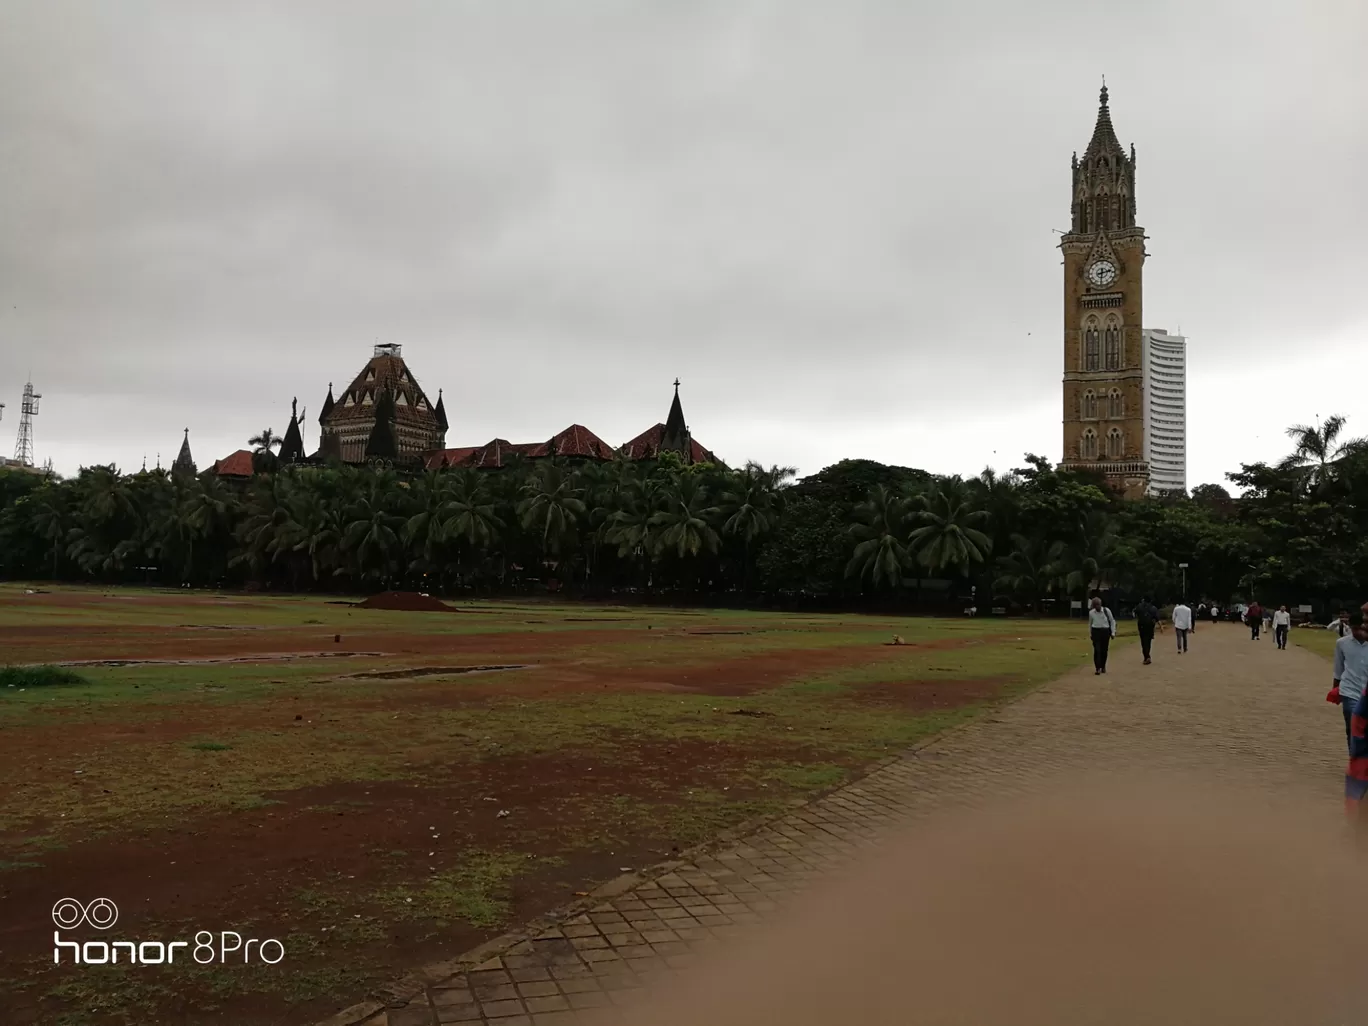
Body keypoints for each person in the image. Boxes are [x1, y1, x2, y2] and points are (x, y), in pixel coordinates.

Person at [1333, 613, 1368, 752]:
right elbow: (1338, 668)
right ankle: (1355, 758)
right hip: (1349, 690)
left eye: (1359, 628)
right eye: (1353, 629)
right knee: (1353, 726)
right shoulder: (1342, 643)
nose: (1356, 632)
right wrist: (1335, 689)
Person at [1088, 596, 1117, 675]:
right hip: (1096, 631)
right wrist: (1090, 633)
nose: (1097, 607)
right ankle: (1097, 668)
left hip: (1105, 631)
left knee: (1104, 650)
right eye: (1095, 605)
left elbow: (1112, 621)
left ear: (1100, 604)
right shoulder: (1091, 613)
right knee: (1097, 650)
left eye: (1098, 605)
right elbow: (1090, 624)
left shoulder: (1106, 611)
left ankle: (1103, 666)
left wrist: (1113, 632)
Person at [1134, 597, 1159, 665]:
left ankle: (1146, 656)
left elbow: (1135, 613)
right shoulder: (1153, 608)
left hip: (1142, 626)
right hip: (1150, 626)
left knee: (1143, 641)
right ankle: (1147, 655)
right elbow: (1156, 618)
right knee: (1148, 641)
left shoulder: (1139, 606)